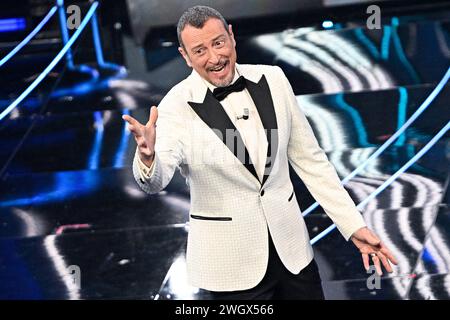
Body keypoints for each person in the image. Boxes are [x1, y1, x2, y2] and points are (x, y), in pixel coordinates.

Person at [122, 5, 398, 300]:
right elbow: (156, 181)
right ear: (185, 56)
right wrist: (149, 158)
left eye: (218, 43)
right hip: (231, 269)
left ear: (231, 36)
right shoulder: (175, 106)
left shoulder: (274, 79)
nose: (215, 58)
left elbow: (311, 161)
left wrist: (353, 225)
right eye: (200, 51)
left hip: (293, 254)